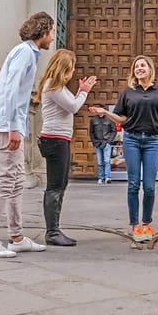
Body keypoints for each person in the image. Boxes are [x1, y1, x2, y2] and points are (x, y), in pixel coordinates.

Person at [0, 12, 55, 259]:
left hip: (10, 125)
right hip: (5, 126)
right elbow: (11, 91)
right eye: (52, 31)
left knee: (16, 181)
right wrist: (13, 127)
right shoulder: (24, 53)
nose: (53, 37)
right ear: (43, 32)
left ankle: (17, 237)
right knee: (6, 182)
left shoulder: (27, 53)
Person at [90, 55, 158, 243]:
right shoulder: (128, 93)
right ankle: (135, 226)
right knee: (133, 184)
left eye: (142, 65)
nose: (139, 68)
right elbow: (122, 119)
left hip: (153, 140)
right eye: (136, 66)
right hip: (132, 140)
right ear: (134, 71)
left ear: (150, 69)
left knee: (149, 186)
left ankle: (146, 224)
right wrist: (105, 112)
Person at [34, 49, 98, 246]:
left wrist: (79, 92)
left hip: (58, 139)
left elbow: (70, 103)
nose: (72, 73)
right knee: (55, 186)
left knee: (60, 185)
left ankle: (54, 229)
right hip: (55, 140)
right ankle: (52, 232)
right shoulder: (53, 86)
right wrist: (84, 91)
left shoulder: (56, 86)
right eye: (71, 69)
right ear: (64, 68)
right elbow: (73, 107)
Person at [89, 112, 117, 184]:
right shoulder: (93, 120)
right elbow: (91, 132)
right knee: (100, 162)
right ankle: (100, 178)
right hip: (97, 143)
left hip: (106, 142)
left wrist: (109, 141)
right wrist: (94, 141)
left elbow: (114, 131)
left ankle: (108, 177)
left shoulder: (110, 119)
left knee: (107, 161)